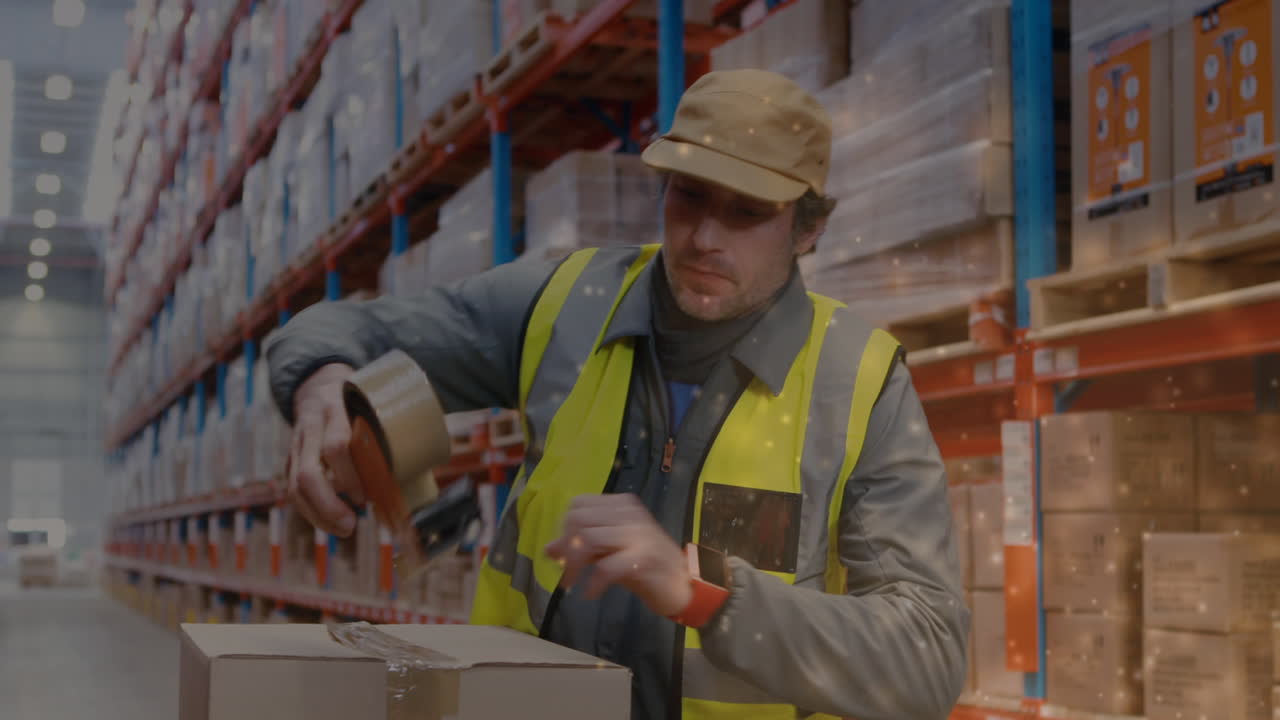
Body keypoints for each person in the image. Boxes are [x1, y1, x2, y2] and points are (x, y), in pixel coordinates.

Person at [266, 69, 968, 720]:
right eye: (687, 195)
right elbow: (341, 328)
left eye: (748, 212)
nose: (703, 237)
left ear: (809, 228)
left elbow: (927, 657)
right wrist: (322, 378)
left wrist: (705, 589)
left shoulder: (862, 383)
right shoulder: (568, 304)